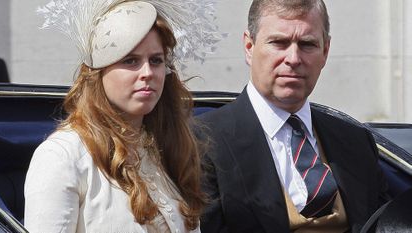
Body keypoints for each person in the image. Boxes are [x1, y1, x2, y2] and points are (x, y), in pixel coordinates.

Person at [24, 0, 223, 232]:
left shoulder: (168, 147)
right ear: (98, 72)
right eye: (131, 60)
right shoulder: (62, 156)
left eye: (156, 60)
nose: (147, 73)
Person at [198, 0, 389, 232]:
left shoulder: (356, 141)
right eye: (279, 43)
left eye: (307, 44)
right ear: (249, 47)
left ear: (325, 51)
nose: (294, 58)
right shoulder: (202, 142)